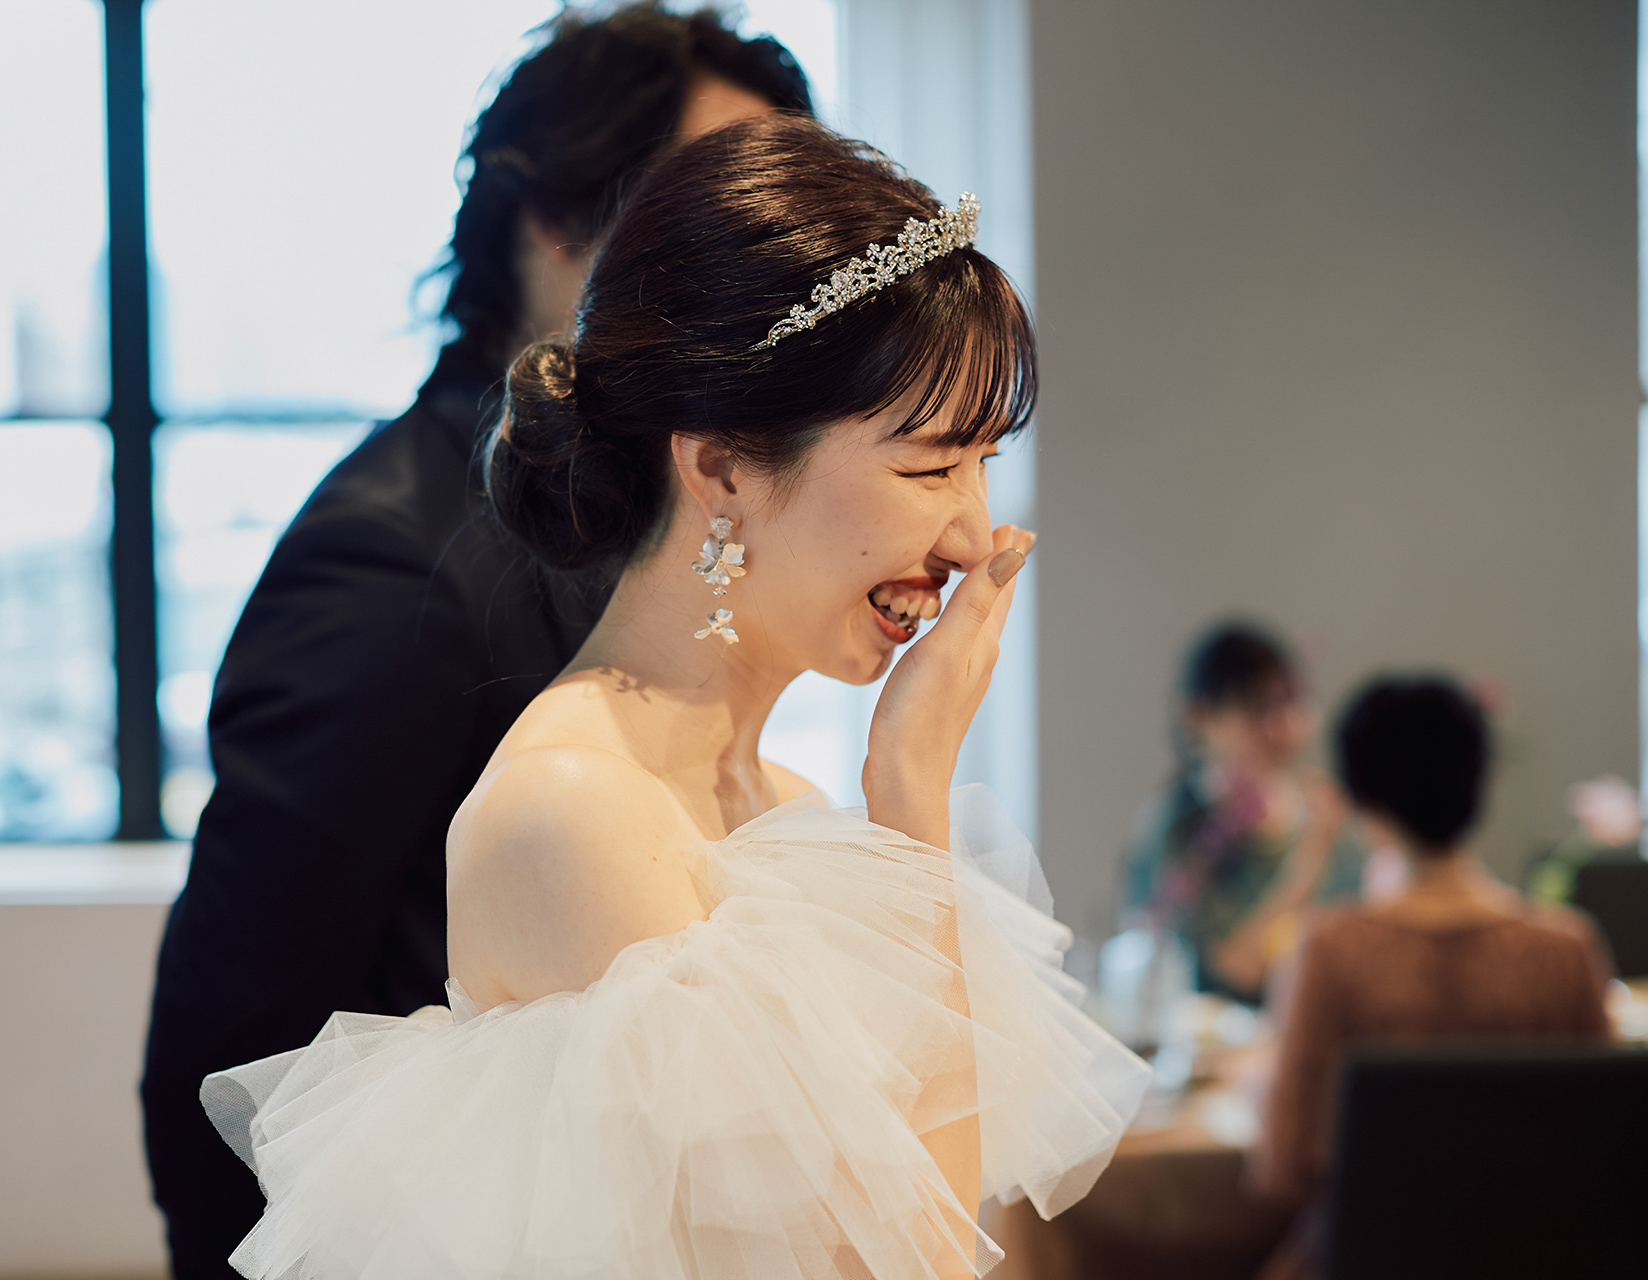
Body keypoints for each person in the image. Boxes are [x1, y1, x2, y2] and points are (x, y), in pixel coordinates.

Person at [201, 116, 1150, 1280]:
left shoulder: (782, 801)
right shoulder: (572, 810)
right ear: (720, 465)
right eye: (929, 465)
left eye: (984, 463)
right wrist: (911, 787)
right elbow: (902, 1262)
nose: (970, 534)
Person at [140, 8, 814, 1278]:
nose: (755, 270)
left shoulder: (654, 522)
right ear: (555, 216)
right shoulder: (391, 557)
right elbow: (231, 1042)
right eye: (706, 212)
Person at [1250, 676, 1612, 1280]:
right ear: (1479, 787)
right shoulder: (1567, 951)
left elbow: (1281, 1168)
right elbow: (1607, 1155)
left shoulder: (1331, 952)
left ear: (1366, 805)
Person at [1121, 622, 1366, 1003]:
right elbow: (1233, 971)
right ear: (1200, 716)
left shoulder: (1328, 816)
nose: (1282, 727)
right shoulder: (1176, 827)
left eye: (1290, 704)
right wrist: (1306, 869)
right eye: (1257, 709)